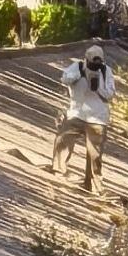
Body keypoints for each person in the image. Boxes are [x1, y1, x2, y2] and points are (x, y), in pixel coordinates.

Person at [48, 52, 110, 192]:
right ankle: (58, 171)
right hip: (77, 114)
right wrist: (78, 76)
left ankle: (92, 183)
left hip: (97, 117)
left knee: (94, 152)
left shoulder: (105, 72)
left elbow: (109, 94)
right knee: (63, 139)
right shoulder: (77, 67)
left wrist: (98, 86)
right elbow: (65, 79)